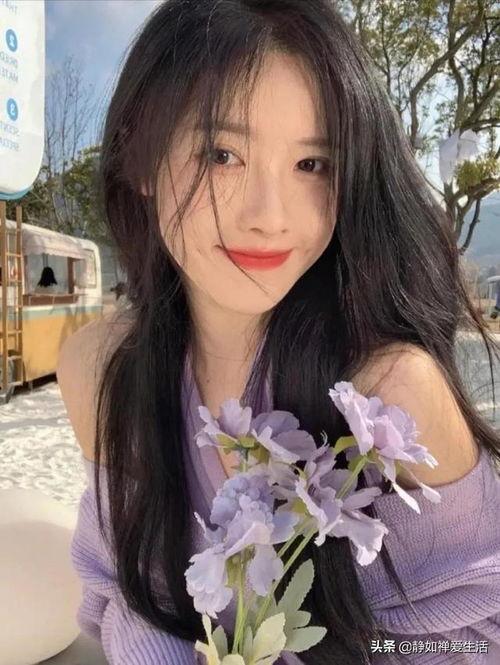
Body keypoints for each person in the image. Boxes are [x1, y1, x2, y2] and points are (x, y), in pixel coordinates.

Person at [55, 1, 500, 664]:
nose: (270, 216)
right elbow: (128, 592)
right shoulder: (102, 369)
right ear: (140, 158)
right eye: (222, 154)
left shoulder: (389, 393)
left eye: (312, 164)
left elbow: (477, 634)